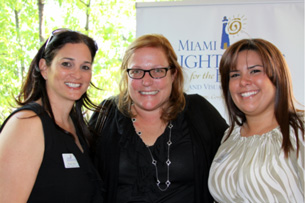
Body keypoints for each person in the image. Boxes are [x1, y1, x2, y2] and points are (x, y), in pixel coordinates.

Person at [89, 34, 228, 203]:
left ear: (173, 74)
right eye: (137, 71)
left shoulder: (199, 112)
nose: (147, 81)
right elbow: (85, 180)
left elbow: (234, 161)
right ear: (127, 75)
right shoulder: (106, 114)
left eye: (157, 71)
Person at [0, 29, 103, 202]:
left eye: (85, 67)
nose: (77, 74)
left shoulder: (76, 126)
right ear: (44, 68)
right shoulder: (27, 124)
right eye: (66, 64)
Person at [208, 38, 305, 202]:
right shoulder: (229, 136)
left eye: (255, 71)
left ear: (277, 75)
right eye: (235, 75)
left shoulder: (299, 129)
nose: (244, 81)